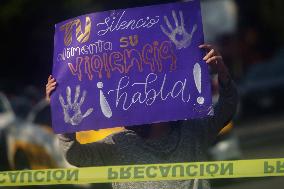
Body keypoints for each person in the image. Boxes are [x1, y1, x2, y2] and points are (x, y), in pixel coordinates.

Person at [46, 44, 238, 189]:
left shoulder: (193, 131)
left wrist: (222, 73)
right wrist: (65, 119)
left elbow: (226, 110)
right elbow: (75, 155)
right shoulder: (118, 145)